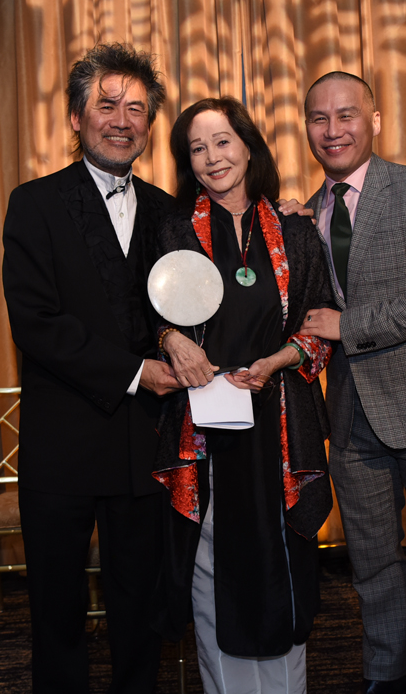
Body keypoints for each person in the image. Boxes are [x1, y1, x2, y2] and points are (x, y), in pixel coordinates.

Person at [1, 42, 179, 694]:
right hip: (63, 444)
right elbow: (38, 323)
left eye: (137, 108)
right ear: (76, 117)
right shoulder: (34, 204)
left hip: (143, 444)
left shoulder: (167, 209)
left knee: (142, 606)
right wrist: (137, 370)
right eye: (107, 104)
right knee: (57, 609)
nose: (122, 119)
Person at [296, 72, 406, 694]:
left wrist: (350, 326)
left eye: (346, 115)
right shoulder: (307, 213)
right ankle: (387, 679)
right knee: (372, 568)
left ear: (374, 120)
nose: (333, 129)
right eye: (319, 118)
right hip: (350, 419)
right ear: (308, 130)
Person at [151, 97, 336, 694]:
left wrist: (280, 359)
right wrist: (173, 338)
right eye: (197, 148)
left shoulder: (296, 229)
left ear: (248, 144)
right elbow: (147, 317)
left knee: (282, 560)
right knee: (210, 563)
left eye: (222, 141)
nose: (211, 157)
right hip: (204, 427)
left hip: (280, 424)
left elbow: (319, 327)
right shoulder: (174, 231)